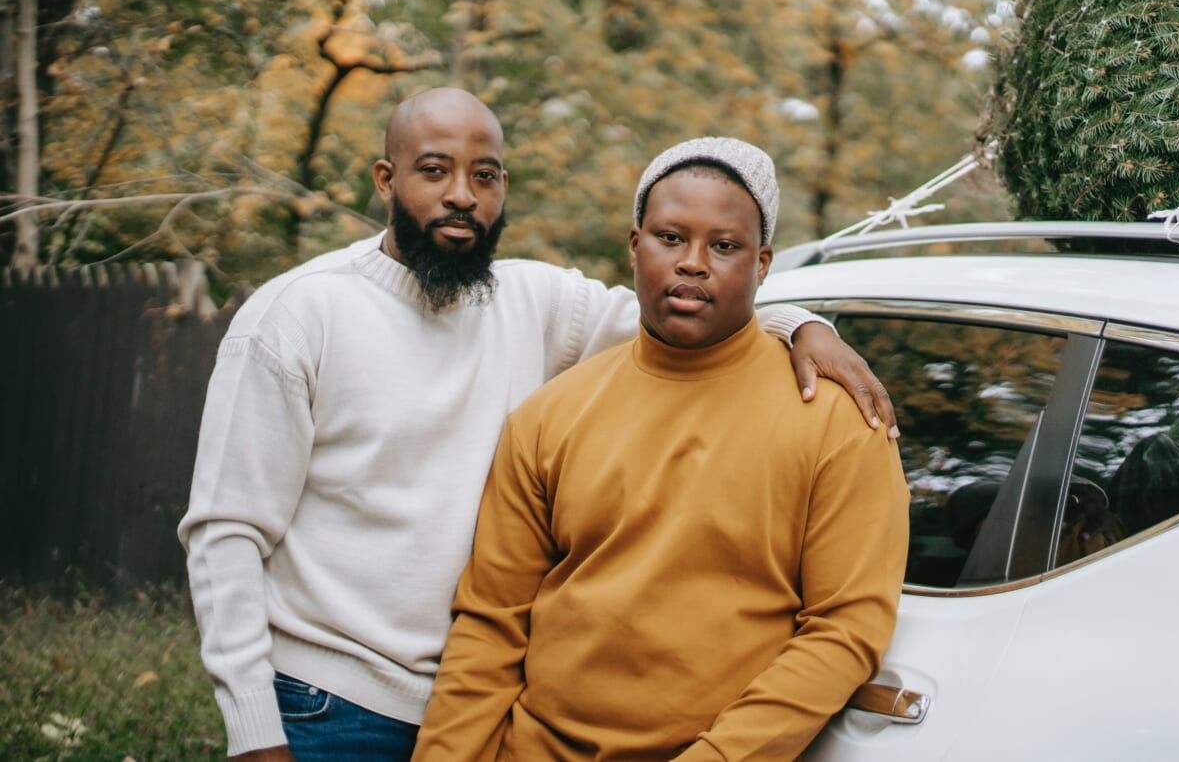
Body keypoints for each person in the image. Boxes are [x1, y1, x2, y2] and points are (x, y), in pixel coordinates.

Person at [178, 90, 898, 762]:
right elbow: (226, 532)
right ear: (385, 179)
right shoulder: (300, 314)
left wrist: (805, 325)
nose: (462, 193)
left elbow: (691, 314)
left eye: (484, 174)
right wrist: (252, 732)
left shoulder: (534, 299)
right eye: (435, 170)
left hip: (471, 707)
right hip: (331, 702)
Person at [412, 137, 909, 761]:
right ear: (634, 245)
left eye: (724, 247)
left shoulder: (838, 420)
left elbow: (846, 631)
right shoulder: (550, 414)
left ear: (761, 264)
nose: (692, 263)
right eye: (670, 238)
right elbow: (490, 626)